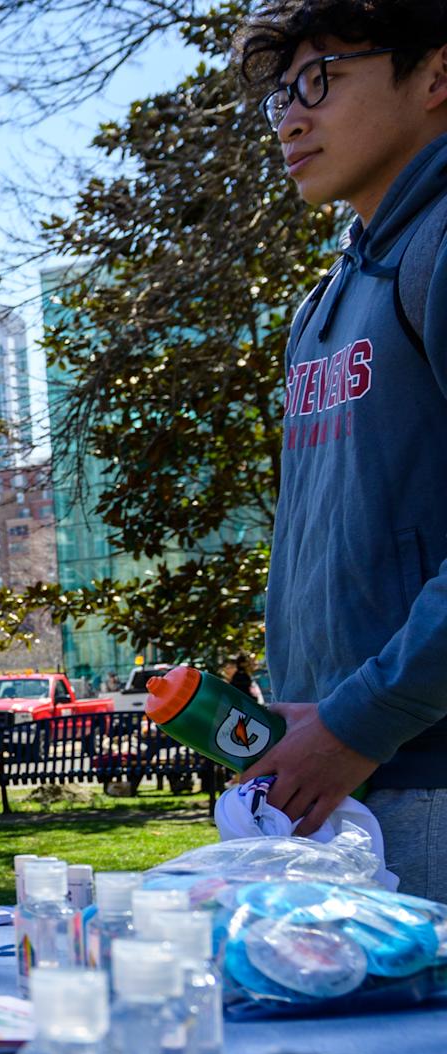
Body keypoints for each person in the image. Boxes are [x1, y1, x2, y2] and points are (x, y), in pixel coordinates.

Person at [235, 2, 447, 898]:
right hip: (345, 791)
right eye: (281, 92)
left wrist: (362, 718)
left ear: (436, 76)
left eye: (322, 80)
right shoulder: (326, 300)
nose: (290, 115)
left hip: (424, 779)